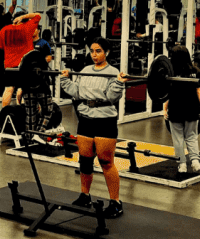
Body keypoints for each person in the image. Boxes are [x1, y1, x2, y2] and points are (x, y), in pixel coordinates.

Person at [59, 37, 125, 218]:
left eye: (99, 51)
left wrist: (119, 82)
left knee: (106, 162)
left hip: (105, 119)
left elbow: (111, 97)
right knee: (85, 160)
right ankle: (84, 196)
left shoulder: (113, 72)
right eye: (92, 51)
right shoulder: (86, 70)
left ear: (107, 52)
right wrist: (65, 80)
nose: (94, 55)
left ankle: (116, 202)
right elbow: (76, 91)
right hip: (86, 118)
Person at [163, 46, 200, 174]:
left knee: (178, 138)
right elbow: (199, 91)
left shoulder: (169, 73)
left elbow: (166, 94)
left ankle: (182, 164)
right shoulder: (195, 71)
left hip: (175, 108)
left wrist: (165, 110)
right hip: (192, 108)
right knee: (192, 136)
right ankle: (195, 161)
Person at [0, 12, 42, 107]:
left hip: (10, 66)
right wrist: (23, 17)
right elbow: (38, 15)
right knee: (26, 90)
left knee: (8, 89)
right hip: (25, 65)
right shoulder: (27, 27)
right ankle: (26, 113)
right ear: (25, 20)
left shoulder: (5, 29)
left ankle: (5, 114)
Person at [18, 43, 56, 133]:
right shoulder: (43, 59)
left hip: (27, 90)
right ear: (47, 54)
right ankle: (39, 132)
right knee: (48, 111)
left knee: (30, 114)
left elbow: (20, 73)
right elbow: (46, 76)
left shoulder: (26, 57)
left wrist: (20, 89)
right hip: (42, 90)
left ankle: (29, 137)